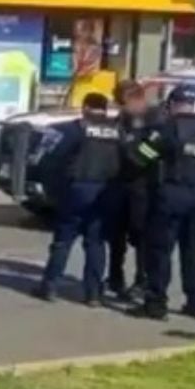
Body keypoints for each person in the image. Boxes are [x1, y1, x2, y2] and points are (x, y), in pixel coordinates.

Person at [131, 86, 195, 321]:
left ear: (172, 105)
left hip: (170, 195)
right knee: (192, 252)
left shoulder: (167, 129)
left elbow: (141, 157)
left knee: (160, 252)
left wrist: (137, 142)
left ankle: (156, 305)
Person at [34, 92, 122, 306]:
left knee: (63, 240)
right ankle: (93, 294)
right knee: (96, 243)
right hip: (105, 191)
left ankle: (49, 286)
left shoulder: (75, 129)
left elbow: (53, 159)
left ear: (85, 108)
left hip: (76, 189)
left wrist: (53, 190)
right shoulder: (117, 131)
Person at [106, 81, 160, 302]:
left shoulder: (155, 119)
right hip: (120, 183)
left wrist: (133, 155)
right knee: (116, 235)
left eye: (123, 103)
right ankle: (115, 277)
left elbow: (153, 150)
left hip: (143, 185)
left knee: (141, 235)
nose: (121, 108)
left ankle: (142, 280)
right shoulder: (122, 119)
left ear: (135, 99)